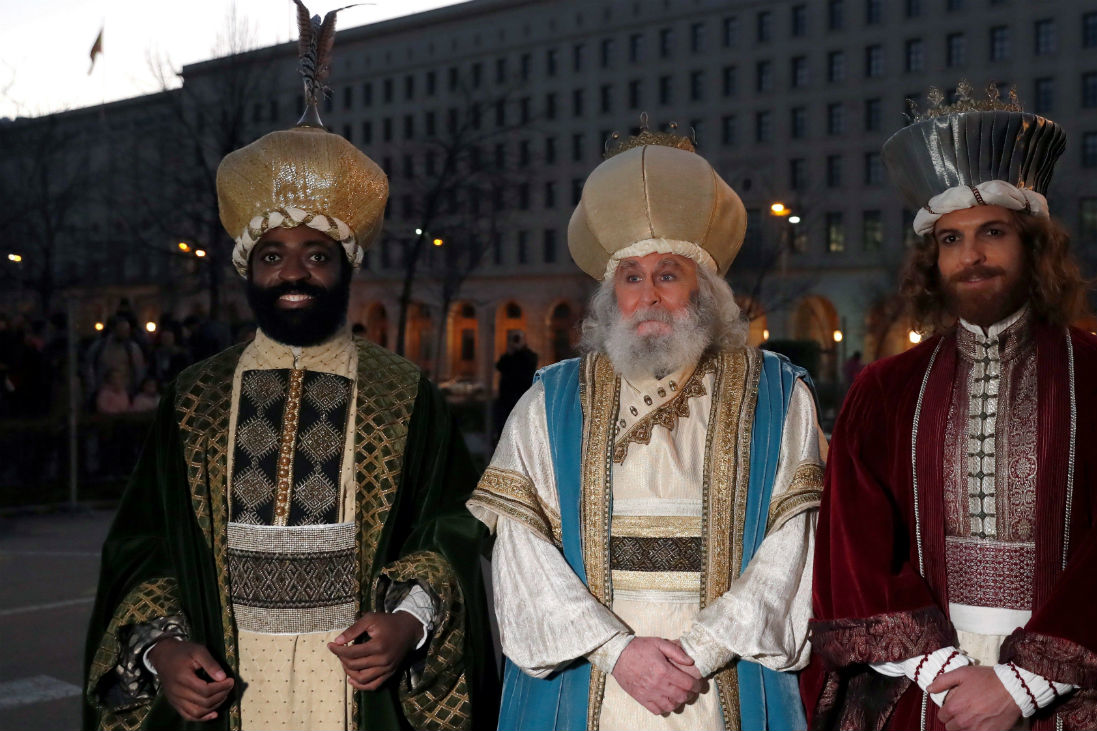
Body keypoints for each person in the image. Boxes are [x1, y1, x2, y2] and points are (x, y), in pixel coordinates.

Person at [83, 7, 496, 729]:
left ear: (345, 267)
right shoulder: (196, 398)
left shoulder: (404, 394)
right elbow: (144, 546)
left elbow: (448, 529)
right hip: (228, 679)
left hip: (356, 684)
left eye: (317, 254)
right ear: (250, 267)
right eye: (273, 254)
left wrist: (409, 623)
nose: (294, 271)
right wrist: (164, 652)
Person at [801, 85, 1097, 730]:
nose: (971, 255)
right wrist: (942, 677)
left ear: (1034, 246)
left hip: (1072, 685)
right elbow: (854, 544)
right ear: (932, 259)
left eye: (993, 232)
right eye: (951, 239)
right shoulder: (884, 392)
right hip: (925, 681)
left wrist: (1021, 686)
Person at [469, 124, 826, 731]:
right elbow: (521, 551)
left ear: (704, 290)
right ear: (612, 295)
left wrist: (702, 653)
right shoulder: (549, 401)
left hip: (726, 677)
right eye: (631, 277)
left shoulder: (777, 395)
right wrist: (617, 652)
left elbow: (795, 543)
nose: (649, 295)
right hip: (590, 677)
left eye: (668, 274)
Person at [491, 332, 537, 442]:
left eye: (518, 339)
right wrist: (509, 353)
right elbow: (499, 366)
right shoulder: (509, 356)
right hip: (506, 399)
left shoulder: (529, 355)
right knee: (503, 427)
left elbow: (531, 364)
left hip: (522, 397)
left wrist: (520, 350)